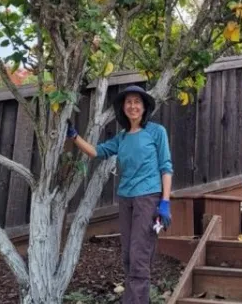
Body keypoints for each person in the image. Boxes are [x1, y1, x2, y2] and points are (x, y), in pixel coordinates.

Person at [67, 85, 173, 304]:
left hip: (148, 198)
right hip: (126, 199)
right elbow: (97, 152)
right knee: (127, 256)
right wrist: (74, 136)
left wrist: (165, 202)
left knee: (139, 255)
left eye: (137, 102)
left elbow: (166, 167)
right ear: (124, 108)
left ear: (144, 107)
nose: (133, 106)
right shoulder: (122, 138)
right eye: (129, 102)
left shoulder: (156, 132)